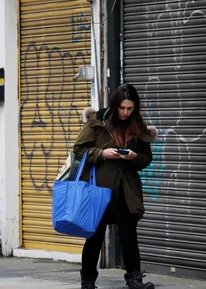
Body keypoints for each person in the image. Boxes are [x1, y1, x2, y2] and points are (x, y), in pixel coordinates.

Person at [73, 83, 157, 289]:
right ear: (115, 105)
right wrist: (102, 153)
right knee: (95, 236)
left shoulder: (137, 126)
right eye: (122, 108)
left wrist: (136, 157)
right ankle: (88, 282)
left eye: (130, 108)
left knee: (129, 236)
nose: (126, 112)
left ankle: (135, 280)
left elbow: (147, 158)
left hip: (126, 190)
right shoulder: (98, 121)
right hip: (99, 189)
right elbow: (79, 149)